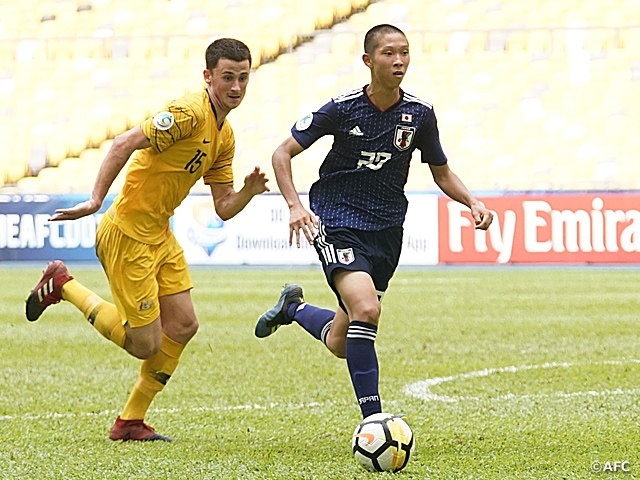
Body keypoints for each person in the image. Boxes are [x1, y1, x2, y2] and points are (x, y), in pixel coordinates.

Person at [25, 38, 269, 441]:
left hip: (159, 233)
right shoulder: (189, 113)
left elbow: (223, 206)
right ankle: (63, 285)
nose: (237, 87)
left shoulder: (225, 136)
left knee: (185, 324)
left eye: (244, 78)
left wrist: (248, 192)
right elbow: (123, 142)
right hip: (127, 235)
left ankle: (130, 422)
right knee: (144, 344)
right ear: (208, 76)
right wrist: (94, 200)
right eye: (228, 77)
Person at [255, 24, 492, 420]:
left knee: (341, 341)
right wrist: (296, 206)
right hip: (337, 219)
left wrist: (471, 201)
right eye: (388, 53)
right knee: (366, 309)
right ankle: (374, 422)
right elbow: (282, 155)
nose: (398, 60)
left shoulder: (419, 114)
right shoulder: (341, 108)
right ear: (368, 60)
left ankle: (293, 309)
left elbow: (441, 172)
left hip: (386, 229)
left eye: (404, 52)